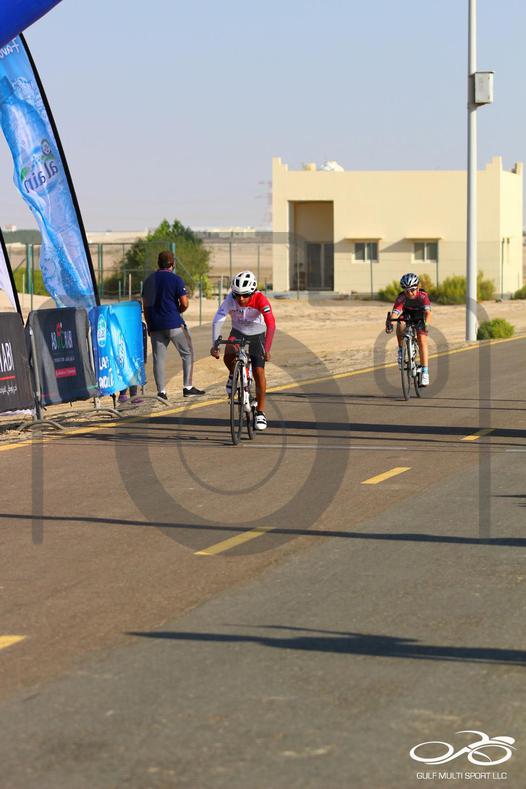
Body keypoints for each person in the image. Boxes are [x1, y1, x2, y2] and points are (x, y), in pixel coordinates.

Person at [210, 270, 275, 430]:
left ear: (252, 292)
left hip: (257, 333)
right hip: (238, 331)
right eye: (237, 295)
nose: (241, 299)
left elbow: (271, 324)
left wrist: (267, 349)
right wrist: (215, 345)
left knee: (259, 371)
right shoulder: (230, 299)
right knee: (228, 356)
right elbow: (218, 320)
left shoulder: (260, 298)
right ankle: (233, 374)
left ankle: (260, 412)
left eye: (245, 295)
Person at [142, 250, 205, 399]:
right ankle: (187, 387)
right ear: (173, 264)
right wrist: (178, 311)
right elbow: (184, 303)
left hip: (155, 326)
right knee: (188, 353)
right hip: (174, 324)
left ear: (158, 263)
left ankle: (161, 392)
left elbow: (145, 305)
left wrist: (150, 324)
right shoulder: (176, 279)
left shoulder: (149, 280)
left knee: (158, 359)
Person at [386, 272, 432, 385]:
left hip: (420, 316)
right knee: (400, 323)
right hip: (408, 315)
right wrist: (390, 323)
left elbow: (428, 313)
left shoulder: (423, 296)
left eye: (412, 290)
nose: (410, 293)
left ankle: (425, 372)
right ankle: (401, 350)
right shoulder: (401, 297)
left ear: (418, 287)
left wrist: (426, 324)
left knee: (422, 339)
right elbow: (395, 313)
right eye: (407, 291)